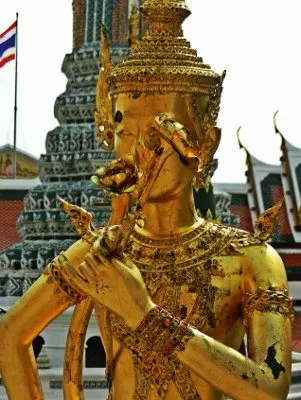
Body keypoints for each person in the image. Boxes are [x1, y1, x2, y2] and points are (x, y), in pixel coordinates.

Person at [0, 1, 293, 399]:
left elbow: (270, 386)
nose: (140, 151)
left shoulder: (249, 259)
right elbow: (10, 335)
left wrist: (145, 314)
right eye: (125, 132)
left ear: (205, 143)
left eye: (160, 134)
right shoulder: (101, 253)